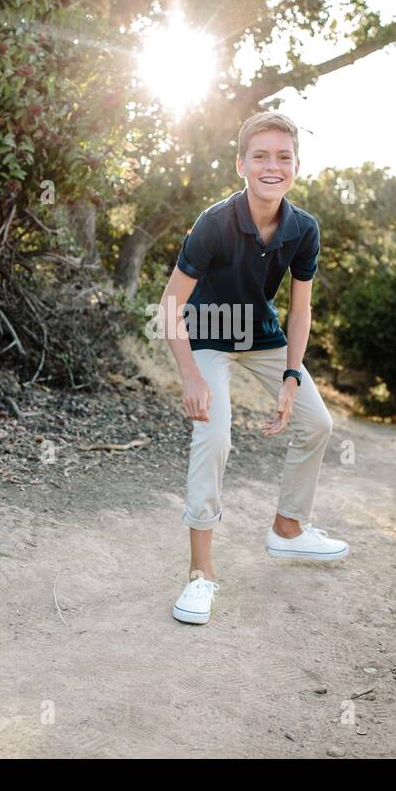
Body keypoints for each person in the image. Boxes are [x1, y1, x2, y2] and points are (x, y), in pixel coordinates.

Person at [156, 111, 345, 626]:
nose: (272, 165)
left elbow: (299, 309)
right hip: (208, 334)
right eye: (260, 155)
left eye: (283, 157)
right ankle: (200, 576)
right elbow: (171, 302)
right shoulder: (214, 223)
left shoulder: (303, 229)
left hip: (260, 334)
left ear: (297, 167)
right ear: (241, 163)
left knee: (318, 422)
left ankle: (288, 529)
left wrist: (291, 375)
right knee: (214, 437)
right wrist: (190, 375)